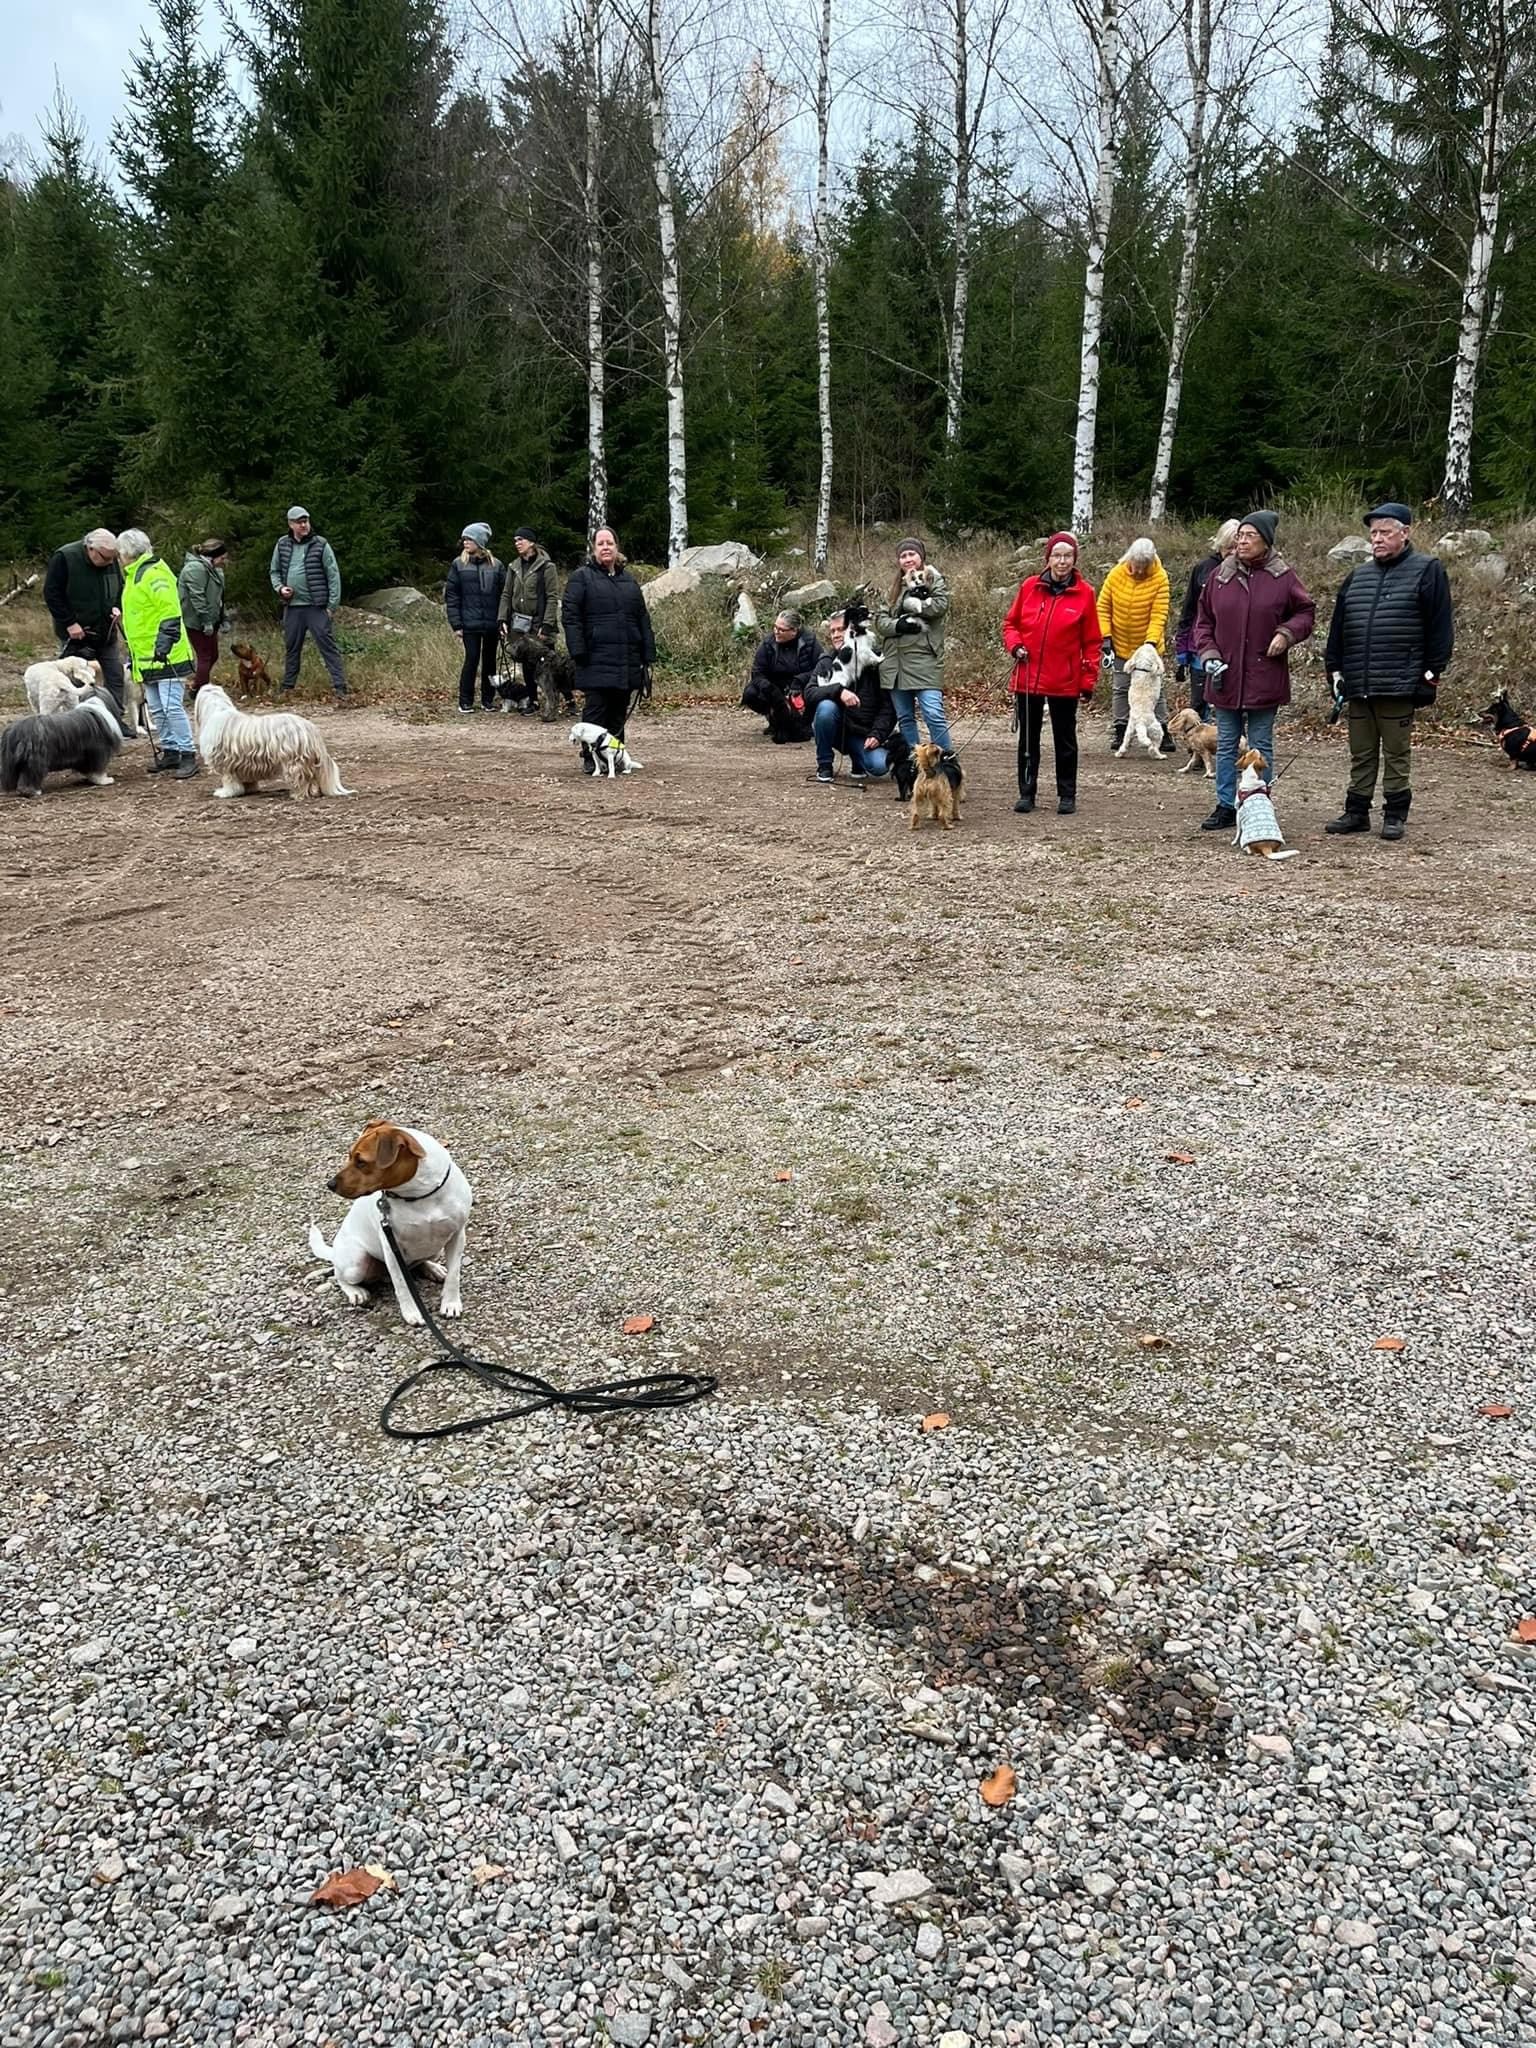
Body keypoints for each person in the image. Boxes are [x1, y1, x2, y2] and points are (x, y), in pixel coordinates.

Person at [1322, 502, 1453, 842]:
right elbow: (1338, 629)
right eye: (1373, 533)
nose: (1377, 539)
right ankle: (1356, 812)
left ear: (1404, 533)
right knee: (1361, 752)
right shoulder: (1357, 576)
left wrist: (1431, 676)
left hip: (1400, 681)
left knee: (1396, 753)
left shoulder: (1428, 570)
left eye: (1384, 532)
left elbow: (1440, 629)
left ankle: (1395, 814)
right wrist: (1334, 669)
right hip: (1358, 681)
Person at [1193, 510, 1315, 833]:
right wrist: (1209, 654)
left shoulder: (1283, 577)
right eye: (1240, 536)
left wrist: (1286, 634)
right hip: (1226, 674)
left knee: (1260, 743)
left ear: (1266, 542)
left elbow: (1305, 612)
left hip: (1265, 674)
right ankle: (1225, 805)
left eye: (1250, 536)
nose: (1242, 542)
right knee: (1226, 743)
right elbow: (1203, 622)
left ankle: (1259, 801)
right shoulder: (1220, 576)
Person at [1001, 532, 1100, 816]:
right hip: (1028, 675)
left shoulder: (1085, 593)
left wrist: (1087, 680)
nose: (1062, 561)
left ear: (1074, 559)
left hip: (1064, 680)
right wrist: (1016, 646)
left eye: (1067, 556)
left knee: (1065, 741)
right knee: (1028, 740)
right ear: (1048, 558)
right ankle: (1026, 792)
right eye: (1057, 555)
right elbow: (1010, 624)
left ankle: (1067, 794)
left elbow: (1092, 641)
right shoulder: (1030, 586)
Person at [560, 526, 655, 747]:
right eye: (600, 543)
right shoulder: (580, 578)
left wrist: (648, 653)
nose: (605, 547)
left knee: (618, 714)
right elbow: (571, 617)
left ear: (616, 547)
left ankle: (616, 755)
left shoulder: (629, 581)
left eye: (609, 543)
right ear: (593, 549)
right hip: (594, 660)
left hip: (626, 660)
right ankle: (590, 757)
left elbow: (642, 618)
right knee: (595, 713)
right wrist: (578, 651)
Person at [118, 529, 199, 779]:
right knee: (155, 706)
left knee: (171, 706)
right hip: (146, 657)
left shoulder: (154, 574)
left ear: (128, 553)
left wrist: (164, 644)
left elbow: (170, 611)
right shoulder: (134, 576)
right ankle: (171, 750)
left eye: (120, 553)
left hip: (168, 654)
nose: (118, 558)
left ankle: (188, 753)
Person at [875, 538, 957, 773]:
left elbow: (939, 606)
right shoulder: (893, 587)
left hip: (924, 659)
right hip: (895, 663)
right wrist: (898, 625)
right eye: (903, 556)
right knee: (905, 718)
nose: (908, 559)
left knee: (933, 713)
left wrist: (912, 603)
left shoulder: (933, 579)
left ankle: (947, 765)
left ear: (921, 556)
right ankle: (917, 767)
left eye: (912, 554)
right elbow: (880, 621)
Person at [1098, 537, 1173, 751]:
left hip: (1148, 647)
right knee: (1121, 687)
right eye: (1136, 565)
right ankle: (1121, 729)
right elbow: (1103, 607)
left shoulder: (1160, 578)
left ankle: (1162, 730)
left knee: (1154, 690)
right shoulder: (1116, 573)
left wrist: (1150, 643)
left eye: (1143, 566)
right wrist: (1106, 637)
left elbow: (1159, 614)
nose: (1139, 571)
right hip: (1120, 643)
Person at [43, 528, 128, 711]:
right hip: (77, 634)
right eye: (106, 558)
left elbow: (120, 587)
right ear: (90, 549)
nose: (110, 562)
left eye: (113, 558)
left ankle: (114, 716)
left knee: (115, 675)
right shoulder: (65, 557)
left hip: (106, 631)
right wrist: (69, 623)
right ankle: (81, 718)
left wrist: (117, 607)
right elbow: (52, 594)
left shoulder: (109, 559)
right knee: (77, 680)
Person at [804, 612, 895, 782]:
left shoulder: (876, 661)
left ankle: (858, 760)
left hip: (864, 731)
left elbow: (888, 706)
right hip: (837, 729)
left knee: (880, 765)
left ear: (854, 629)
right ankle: (824, 765)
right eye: (833, 631)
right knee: (826, 707)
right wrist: (838, 691)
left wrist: (878, 734)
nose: (836, 635)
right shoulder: (827, 660)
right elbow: (809, 693)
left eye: (841, 629)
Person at [269, 506, 348, 697]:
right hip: (292, 607)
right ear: (291, 524)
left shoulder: (320, 544)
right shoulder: (282, 544)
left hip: (316, 606)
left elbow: (333, 575)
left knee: (327, 646)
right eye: (299, 522)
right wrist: (280, 588)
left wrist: (331, 606)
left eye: (306, 521)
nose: (304, 525)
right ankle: (288, 687)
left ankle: (340, 686)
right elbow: (274, 571)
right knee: (292, 647)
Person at [1174, 519, 1238, 722]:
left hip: (1232, 648)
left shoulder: (1247, 572)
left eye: (1237, 547)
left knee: (1230, 705)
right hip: (1200, 647)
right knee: (1199, 702)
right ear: (1220, 545)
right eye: (1228, 547)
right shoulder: (1203, 568)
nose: (1233, 552)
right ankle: (1199, 740)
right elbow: (1188, 610)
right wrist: (1182, 649)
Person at [497, 527, 562, 712]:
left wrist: (547, 624)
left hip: (540, 622)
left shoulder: (547, 567)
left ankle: (560, 700)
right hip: (519, 623)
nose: (517, 543)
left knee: (549, 664)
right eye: (515, 540)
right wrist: (502, 619)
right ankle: (532, 701)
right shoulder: (513, 567)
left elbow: (552, 597)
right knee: (526, 663)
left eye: (521, 539)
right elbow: (506, 594)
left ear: (531, 542)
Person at [444, 522, 506, 714]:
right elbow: (452, 596)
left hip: (491, 623)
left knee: (490, 661)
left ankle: (488, 700)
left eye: (469, 539)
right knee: (471, 659)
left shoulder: (496, 565)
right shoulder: (458, 564)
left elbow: (504, 595)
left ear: (479, 541)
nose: (465, 542)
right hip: (469, 623)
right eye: (464, 539)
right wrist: (456, 624)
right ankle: (465, 701)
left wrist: (503, 621)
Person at [740, 608, 819, 741]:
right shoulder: (768, 642)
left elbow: (821, 668)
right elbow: (757, 672)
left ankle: (805, 722)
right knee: (751, 693)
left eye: (781, 630)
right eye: (775, 627)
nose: (776, 631)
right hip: (774, 687)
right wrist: (770, 689)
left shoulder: (810, 641)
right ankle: (773, 719)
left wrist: (800, 680)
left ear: (794, 631)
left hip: (801, 686)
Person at [178, 538, 228, 694]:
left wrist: (223, 617)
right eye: (222, 558)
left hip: (211, 620)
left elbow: (218, 597)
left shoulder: (214, 569)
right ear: (213, 556)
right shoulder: (195, 569)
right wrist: (206, 621)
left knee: (213, 655)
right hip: (196, 621)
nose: (224, 561)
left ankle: (197, 684)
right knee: (205, 656)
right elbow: (197, 597)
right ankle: (201, 691)